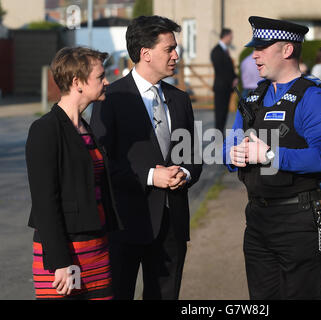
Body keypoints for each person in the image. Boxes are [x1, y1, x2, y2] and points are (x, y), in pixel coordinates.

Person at [223, 16, 321, 299]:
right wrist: (231, 153)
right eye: (254, 47)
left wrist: (271, 154)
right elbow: (231, 141)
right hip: (258, 220)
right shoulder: (252, 98)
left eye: (262, 47)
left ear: (287, 50)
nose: (255, 54)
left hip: (300, 222)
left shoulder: (313, 98)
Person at [90, 15, 202, 300]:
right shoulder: (111, 98)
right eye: (170, 49)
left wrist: (184, 174)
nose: (177, 55)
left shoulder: (180, 99)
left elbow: (193, 156)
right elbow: (102, 161)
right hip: (125, 224)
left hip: (172, 226)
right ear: (145, 53)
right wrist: (153, 176)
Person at [26, 47, 122, 300]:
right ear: (77, 82)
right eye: (100, 76)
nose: (106, 81)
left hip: (97, 250)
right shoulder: (45, 129)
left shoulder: (86, 129)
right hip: (63, 255)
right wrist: (59, 262)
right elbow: (45, 201)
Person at [210, 28, 238, 137]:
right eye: (230, 37)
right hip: (221, 87)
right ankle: (218, 136)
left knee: (224, 113)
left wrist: (235, 77)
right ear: (225, 36)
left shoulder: (225, 50)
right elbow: (221, 70)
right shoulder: (216, 51)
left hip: (226, 88)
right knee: (219, 113)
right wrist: (232, 79)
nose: (231, 39)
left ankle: (221, 135)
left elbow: (230, 68)